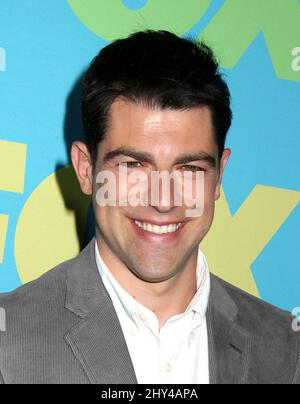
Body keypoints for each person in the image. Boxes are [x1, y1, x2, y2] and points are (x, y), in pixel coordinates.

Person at [0, 30, 299, 385]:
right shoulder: (9, 344)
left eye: (189, 169)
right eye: (132, 166)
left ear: (219, 178)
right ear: (85, 170)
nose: (162, 200)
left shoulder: (287, 348)